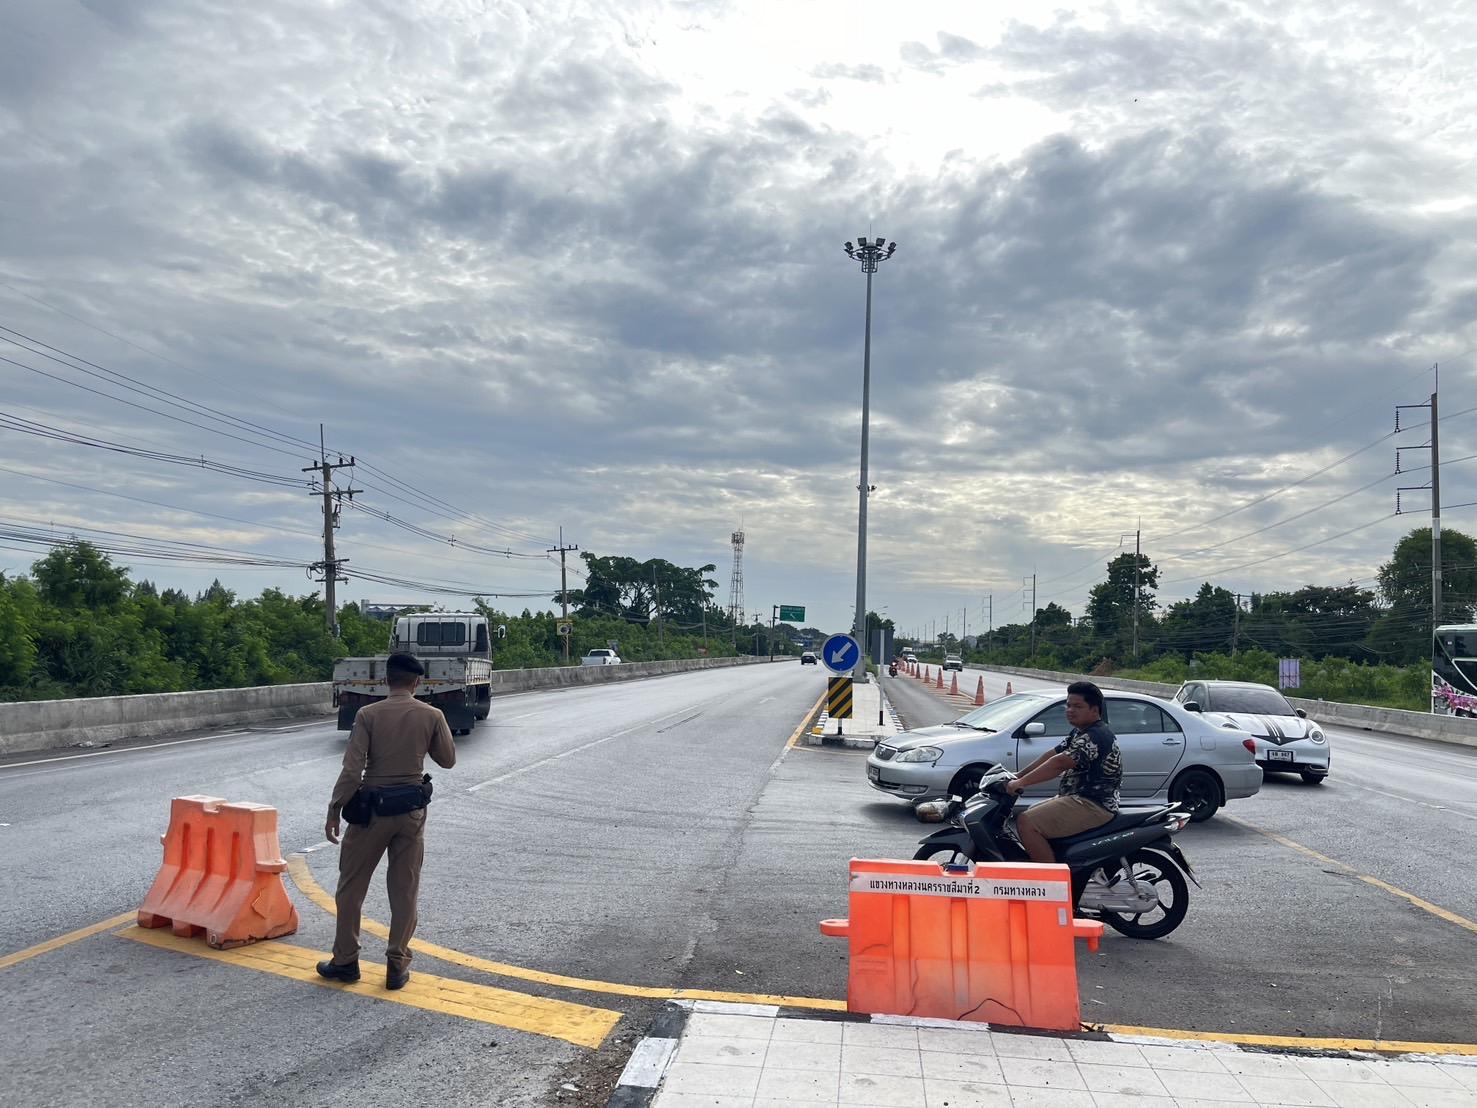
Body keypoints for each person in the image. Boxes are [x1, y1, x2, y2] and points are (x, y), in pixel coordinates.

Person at [316, 652, 456, 990]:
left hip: (371, 813)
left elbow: (352, 771)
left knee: (351, 887)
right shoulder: (432, 715)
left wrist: (335, 808)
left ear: (385, 680)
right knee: (405, 889)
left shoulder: (368, 715)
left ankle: (346, 960)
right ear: (417, 682)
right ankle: (397, 963)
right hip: (411, 812)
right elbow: (447, 760)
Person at [1005, 680, 1121, 864]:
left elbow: (1059, 763)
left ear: (1095, 710)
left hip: (1092, 804)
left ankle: (1050, 879)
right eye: (1068, 705)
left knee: (1026, 822)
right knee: (1032, 812)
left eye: (1077, 706)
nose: (1070, 710)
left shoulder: (1095, 736)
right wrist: (1019, 775)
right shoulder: (1080, 732)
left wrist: (1021, 783)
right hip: (1077, 799)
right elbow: (1053, 754)